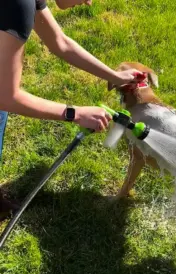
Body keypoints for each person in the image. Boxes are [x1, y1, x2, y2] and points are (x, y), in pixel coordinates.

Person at [0, 0, 142, 219]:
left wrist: (116, 77)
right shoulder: (17, 5)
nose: (89, 2)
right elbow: (6, 96)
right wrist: (75, 113)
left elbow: (60, 42)